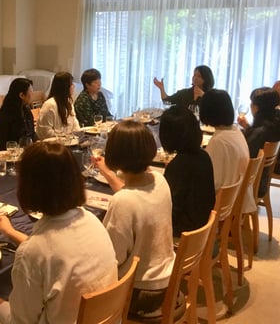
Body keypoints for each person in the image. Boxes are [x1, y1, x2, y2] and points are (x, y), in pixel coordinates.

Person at [0, 142, 117, 323]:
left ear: (27, 187)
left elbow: (17, 321)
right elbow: (53, 251)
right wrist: (10, 232)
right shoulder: (91, 220)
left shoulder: (34, 252)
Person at [94, 120, 175, 319]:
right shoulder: (160, 180)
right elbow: (133, 194)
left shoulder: (123, 202)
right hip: (168, 278)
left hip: (140, 292)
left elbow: (112, 258)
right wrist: (107, 172)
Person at [159, 106, 215, 237]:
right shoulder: (203, 156)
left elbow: (169, 209)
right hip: (201, 224)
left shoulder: (179, 166)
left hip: (183, 231)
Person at [200, 90, 249, 206]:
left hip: (220, 204)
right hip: (236, 197)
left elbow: (212, 183)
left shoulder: (219, 141)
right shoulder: (236, 131)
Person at [238, 87, 280, 200]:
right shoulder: (276, 125)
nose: (250, 106)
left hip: (250, 184)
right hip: (262, 181)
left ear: (258, 108)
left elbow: (246, 156)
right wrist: (248, 127)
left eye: (252, 103)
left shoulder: (260, 132)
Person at [0, 78, 38, 152]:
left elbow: (32, 134)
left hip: (27, 151)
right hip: (10, 154)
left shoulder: (26, 110)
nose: (33, 94)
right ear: (21, 95)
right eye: (31, 91)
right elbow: (0, 145)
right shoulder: (5, 115)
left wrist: (39, 143)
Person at [36, 72, 80, 140]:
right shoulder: (50, 105)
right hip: (53, 143)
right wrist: (64, 137)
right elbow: (45, 132)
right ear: (65, 87)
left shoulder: (68, 101)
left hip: (69, 140)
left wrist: (77, 134)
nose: (73, 86)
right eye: (71, 84)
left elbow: (74, 121)